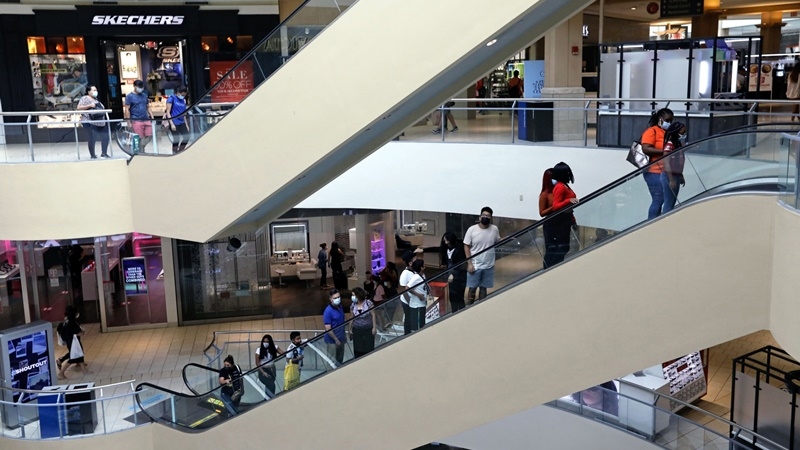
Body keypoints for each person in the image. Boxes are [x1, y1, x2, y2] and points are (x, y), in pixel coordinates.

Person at [640, 108, 674, 220]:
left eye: (671, 121)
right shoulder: (652, 131)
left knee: (663, 199)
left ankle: (656, 221)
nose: (669, 123)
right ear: (660, 119)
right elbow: (646, 148)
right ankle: (651, 223)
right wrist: (664, 152)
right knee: (659, 199)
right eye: (667, 120)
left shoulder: (668, 132)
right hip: (653, 171)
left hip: (664, 171)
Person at [464, 207, 500, 304]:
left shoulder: (494, 229)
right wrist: (469, 263)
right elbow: (466, 246)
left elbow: (498, 241)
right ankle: (469, 308)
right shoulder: (472, 230)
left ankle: (481, 307)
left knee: (483, 289)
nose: (485, 217)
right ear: (480, 217)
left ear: (491, 218)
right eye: (483, 215)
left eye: (488, 216)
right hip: (475, 265)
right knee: (472, 288)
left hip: (489, 265)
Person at [547, 162, 579, 267]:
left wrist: (573, 221)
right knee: (562, 247)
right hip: (561, 222)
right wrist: (569, 200)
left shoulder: (565, 186)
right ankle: (552, 267)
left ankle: (554, 266)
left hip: (566, 220)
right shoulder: (560, 187)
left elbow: (569, 209)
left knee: (564, 247)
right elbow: (556, 206)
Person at [57, 305, 91, 378]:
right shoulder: (72, 322)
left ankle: (84, 371)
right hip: (73, 342)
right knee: (73, 357)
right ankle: (61, 373)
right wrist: (82, 332)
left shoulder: (67, 321)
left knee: (79, 354)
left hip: (71, 341)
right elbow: (78, 332)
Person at [76, 85, 109, 159]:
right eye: (94, 90)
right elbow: (79, 108)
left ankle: (104, 153)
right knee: (92, 138)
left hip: (100, 122)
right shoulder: (85, 98)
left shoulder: (96, 99)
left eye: (96, 90)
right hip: (89, 121)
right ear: (88, 92)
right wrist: (89, 105)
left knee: (106, 136)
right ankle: (93, 155)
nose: (95, 92)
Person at [662, 121, 687, 214]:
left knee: (672, 202)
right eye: (682, 133)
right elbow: (666, 163)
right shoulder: (669, 145)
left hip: (676, 175)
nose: (684, 135)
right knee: (668, 203)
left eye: (685, 133)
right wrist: (671, 179)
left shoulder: (678, 144)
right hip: (669, 176)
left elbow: (679, 161)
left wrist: (680, 175)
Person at [124, 79, 154, 151]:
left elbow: (148, 107)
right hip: (136, 119)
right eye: (139, 86)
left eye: (142, 87)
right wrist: (128, 122)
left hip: (146, 118)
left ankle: (141, 148)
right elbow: (127, 109)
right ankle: (141, 152)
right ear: (134, 86)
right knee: (139, 137)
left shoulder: (144, 96)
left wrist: (152, 116)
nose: (141, 88)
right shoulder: (129, 96)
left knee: (150, 135)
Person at [441, 231, 467, 312]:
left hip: (460, 276)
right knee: (452, 297)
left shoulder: (459, 249)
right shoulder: (446, 249)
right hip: (450, 276)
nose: (444, 240)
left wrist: (453, 274)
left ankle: (462, 312)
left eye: (446, 239)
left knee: (459, 297)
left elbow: (462, 265)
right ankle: (454, 312)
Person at [398, 249, 422, 335]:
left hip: (413, 300)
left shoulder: (414, 270)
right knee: (409, 318)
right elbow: (403, 291)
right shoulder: (405, 274)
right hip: (407, 301)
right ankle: (407, 334)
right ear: (410, 263)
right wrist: (409, 302)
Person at [538, 168, 558, 268]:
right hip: (550, 224)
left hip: (559, 223)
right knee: (551, 249)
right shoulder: (544, 195)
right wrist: (553, 207)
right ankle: (547, 269)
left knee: (559, 248)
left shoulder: (557, 191)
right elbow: (541, 213)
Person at [349, 287, 376, 358]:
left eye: (354, 295)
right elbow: (351, 318)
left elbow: (373, 315)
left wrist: (374, 327)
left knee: (368, 348)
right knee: (358, 350)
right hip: (357, 330)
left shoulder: (368, 303)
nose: (352, 297)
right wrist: (350, 329)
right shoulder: (353, 305)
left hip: (368, 329)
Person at [163, 85, 190, 153]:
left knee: (186, 137)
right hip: (174, 121)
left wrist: (186, 124)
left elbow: (183, 113)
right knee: (176, 138)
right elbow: (168, 112)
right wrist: (171, 124)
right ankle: (174, 152)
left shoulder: (183, 100)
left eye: (184, 94)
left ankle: (180, 151)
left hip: (182, 122)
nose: (183, 96)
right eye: (182, 94)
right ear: (178, 92)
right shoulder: (171, 99)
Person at [323, 288, 346, 364]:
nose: (338, 299)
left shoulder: (340, 307)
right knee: (332, 361)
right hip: (332, 341)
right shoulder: (328, 311)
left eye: (338, 297)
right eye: (335, 298)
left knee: (340, 359)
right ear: (331, 299)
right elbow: (328, 328)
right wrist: (336, 340)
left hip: (341, 338)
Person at [406, 259, 429, 332]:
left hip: (422, 304)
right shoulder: (416, 277)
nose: (425, 266)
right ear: (421, 267)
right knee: (418, 328)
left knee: (422, 324)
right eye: (423, 265)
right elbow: (407, 288)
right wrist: (419, 295)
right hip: (417, 306)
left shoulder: (422, 275)